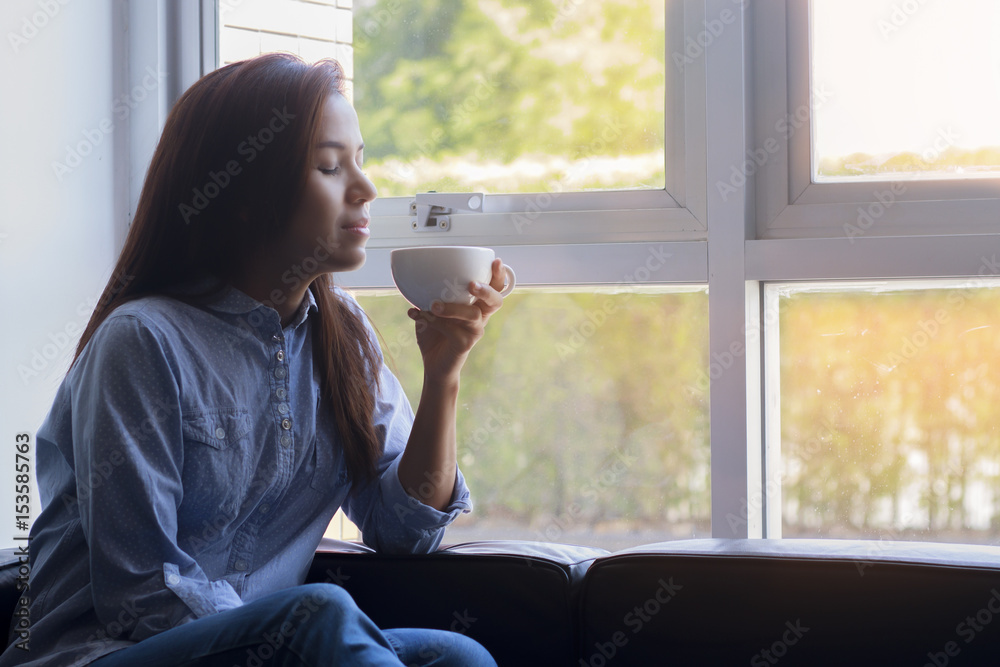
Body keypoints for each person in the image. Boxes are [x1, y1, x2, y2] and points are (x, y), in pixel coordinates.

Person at [0, 53, 504, 666]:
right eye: (328, 166)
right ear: (240, 195)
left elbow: (405, 529)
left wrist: (445, 370)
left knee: (456, 655)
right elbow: (140, 595)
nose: (366, 189)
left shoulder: (342, 332)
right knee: (318, 615)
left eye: (360, 161)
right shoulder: (142, 342)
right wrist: (284, 636)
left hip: (261, 647)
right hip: (103, 653)